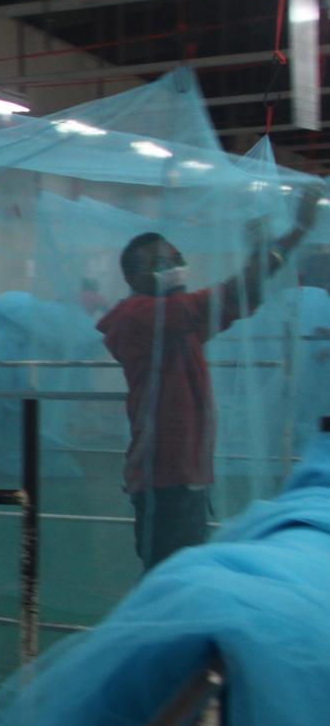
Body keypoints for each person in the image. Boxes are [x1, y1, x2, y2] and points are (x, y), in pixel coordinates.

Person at [98, 186, 321, 572]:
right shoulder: (140, 317)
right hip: (163, 479)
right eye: (162, 263)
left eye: (178, 259)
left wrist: (259, 251)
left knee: (178, 573)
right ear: (135, 276)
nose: (177, 267)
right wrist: (297, 229)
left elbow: (239, 302)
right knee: (170, 577)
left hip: (186, 473)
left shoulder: (174, 322)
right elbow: (224, 296)